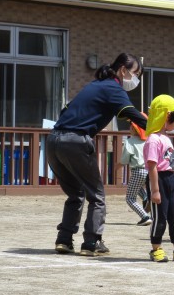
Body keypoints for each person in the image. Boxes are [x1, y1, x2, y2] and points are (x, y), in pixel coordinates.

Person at [48, 52, 147, 256]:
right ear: (123, 70)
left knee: (75, 193)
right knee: (97, 195)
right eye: (136, 74)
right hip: (76, 141)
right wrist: (156, 128)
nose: (136, 79)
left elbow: (65, 112)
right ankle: (92, 242)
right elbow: (131, 114)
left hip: (53, 140)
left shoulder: (94, 85)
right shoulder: (113, 88)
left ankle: (64, 239)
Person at [143, 94, 174, 263]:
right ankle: (156, 248)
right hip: (158, 179)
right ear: (166, 117)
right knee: (160, 217)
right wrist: (155, 190)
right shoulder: (153, 139)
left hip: (170, 179)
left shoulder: (165, 137)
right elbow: (152, 166)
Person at [120, 116, 152, 226]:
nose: (129, 127)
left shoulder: (130, 141)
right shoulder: (148, 141)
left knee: (130, 198)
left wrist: (118, 165)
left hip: (138, 171)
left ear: (134, 128)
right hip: (149, 171)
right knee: (136, 187)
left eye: (131, 125)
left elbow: (124, 160)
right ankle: (146, 198)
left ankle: (145, 216)